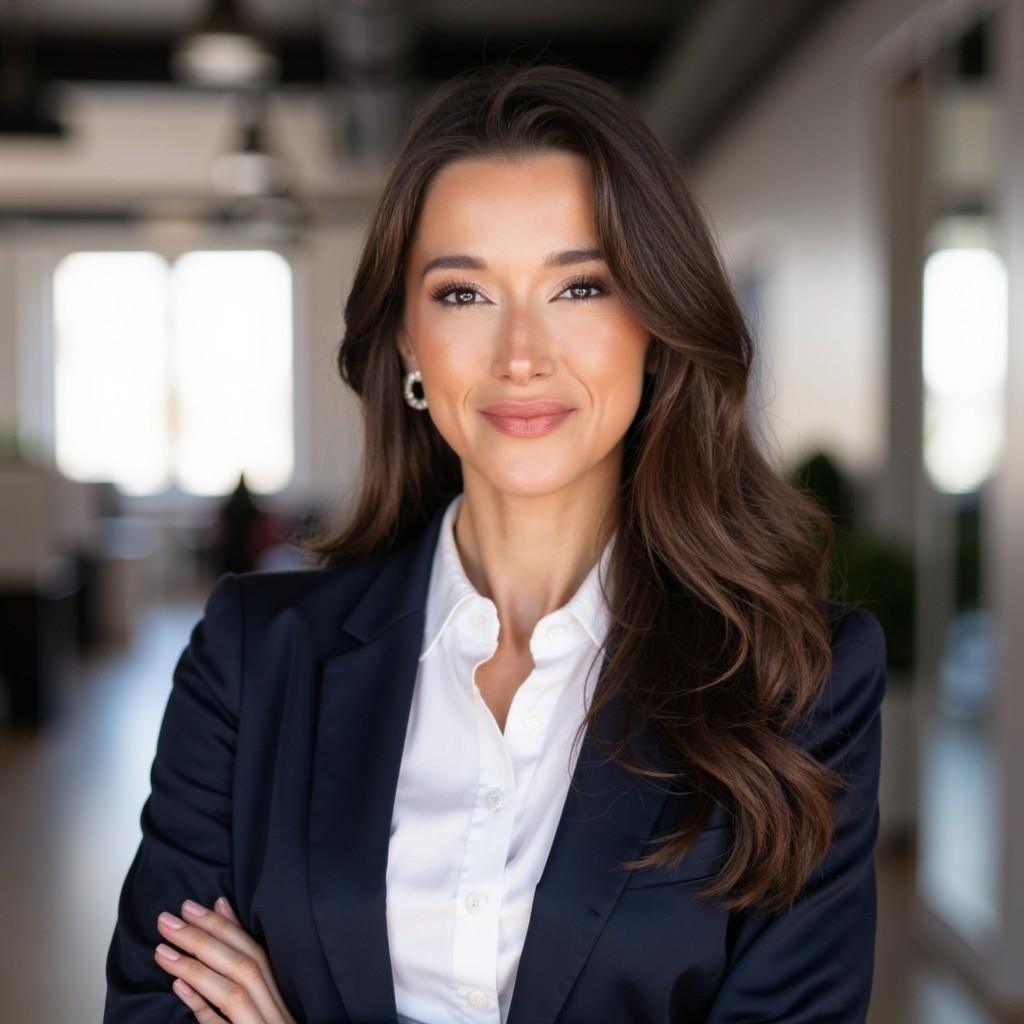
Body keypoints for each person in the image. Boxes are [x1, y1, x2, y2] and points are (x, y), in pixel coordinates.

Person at [104, 63, 885, 1024]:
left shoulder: (797, 678)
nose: (521, 354)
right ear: (406, 340)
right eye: (464, 294)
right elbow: (155, 1002)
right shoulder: (254, 654)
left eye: (580, 286)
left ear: (656, 323)